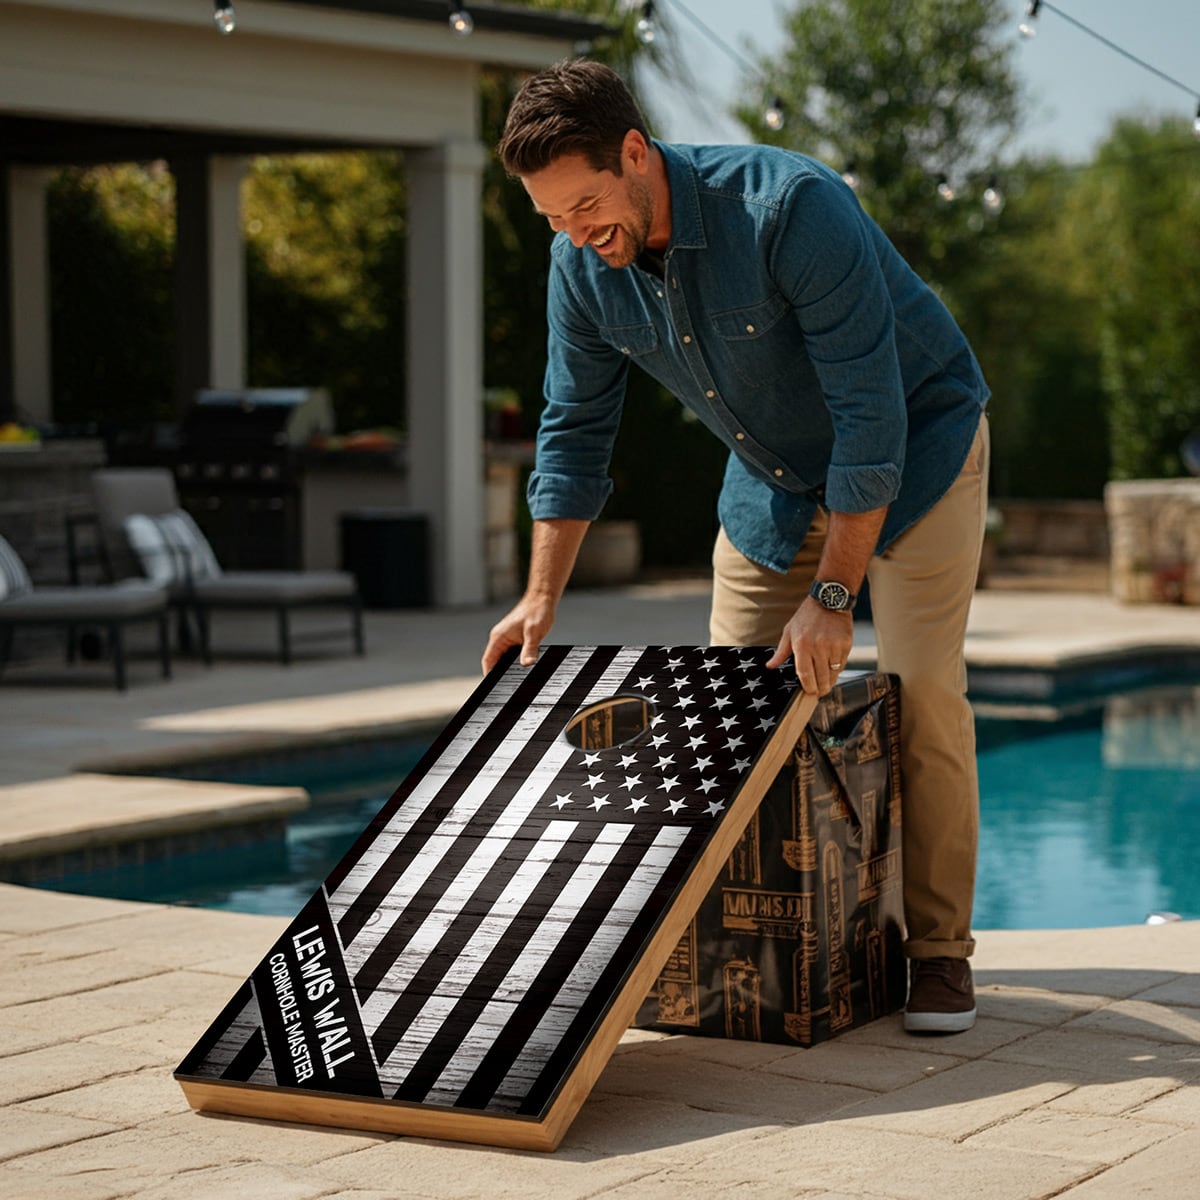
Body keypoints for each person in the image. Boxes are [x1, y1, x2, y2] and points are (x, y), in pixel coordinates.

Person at [482, 59, 989, 1034]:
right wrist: (539, 598)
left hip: (919, 446)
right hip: (771, 474)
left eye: (585, 203)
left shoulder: (790, 209)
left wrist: (836, 598)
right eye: (552, 217)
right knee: (726, 709)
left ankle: (938, 954)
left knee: (923, 691)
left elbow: (870, 417)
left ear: (636, 153)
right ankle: (738, 946)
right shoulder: (580, 265)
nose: (577, 232)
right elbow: (574, 429)